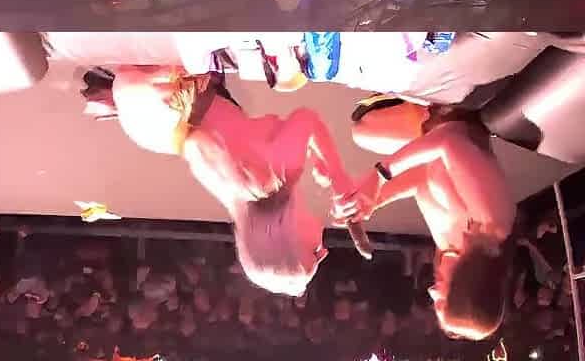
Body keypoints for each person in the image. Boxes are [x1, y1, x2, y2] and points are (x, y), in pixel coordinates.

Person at [81, 64, 356, 297]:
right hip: (153, 118)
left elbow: (306, 119)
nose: (324, 251)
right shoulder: (245, 198)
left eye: (314, 255)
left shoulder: (274, 181)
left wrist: (339, 176)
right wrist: (322, 160)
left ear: (287, 241)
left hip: (165, 96)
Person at [334, 94, 516, 340]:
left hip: (430, 125)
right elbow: (450, 141)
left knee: (363, 130)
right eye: (442, 301)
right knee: (366, 125)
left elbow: (422, 179)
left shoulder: (453, 247)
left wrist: (369, 202)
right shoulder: (493, 219)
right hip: (453, 107)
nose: (431, 292)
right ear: (468, 287)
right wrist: (379, 176)